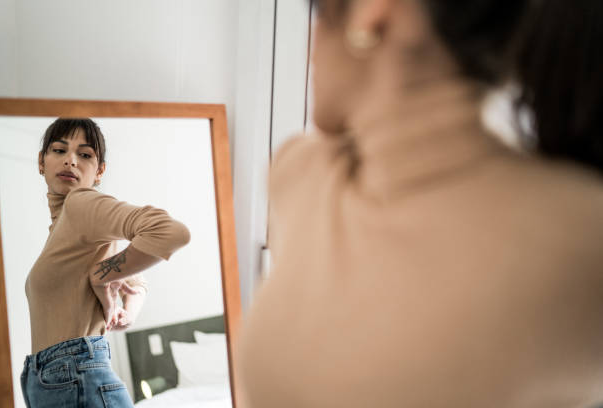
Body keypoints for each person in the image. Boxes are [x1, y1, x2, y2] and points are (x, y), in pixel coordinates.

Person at [237, 0, 603, 407]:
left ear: (374, 10)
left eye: (318, 13)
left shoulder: (582, 242)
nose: (311, 42)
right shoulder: (302, 176)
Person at [20, 118, 191, 407]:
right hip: (57, 379)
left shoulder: (80, 205)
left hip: (74, 376)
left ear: (99, 171)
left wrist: (103, 275)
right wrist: (128, 311)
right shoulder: (67, 227)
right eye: (59, 151)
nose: (71, 161)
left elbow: (171, 232)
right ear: (41, 162)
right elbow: (136, 283)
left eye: (84, 154)